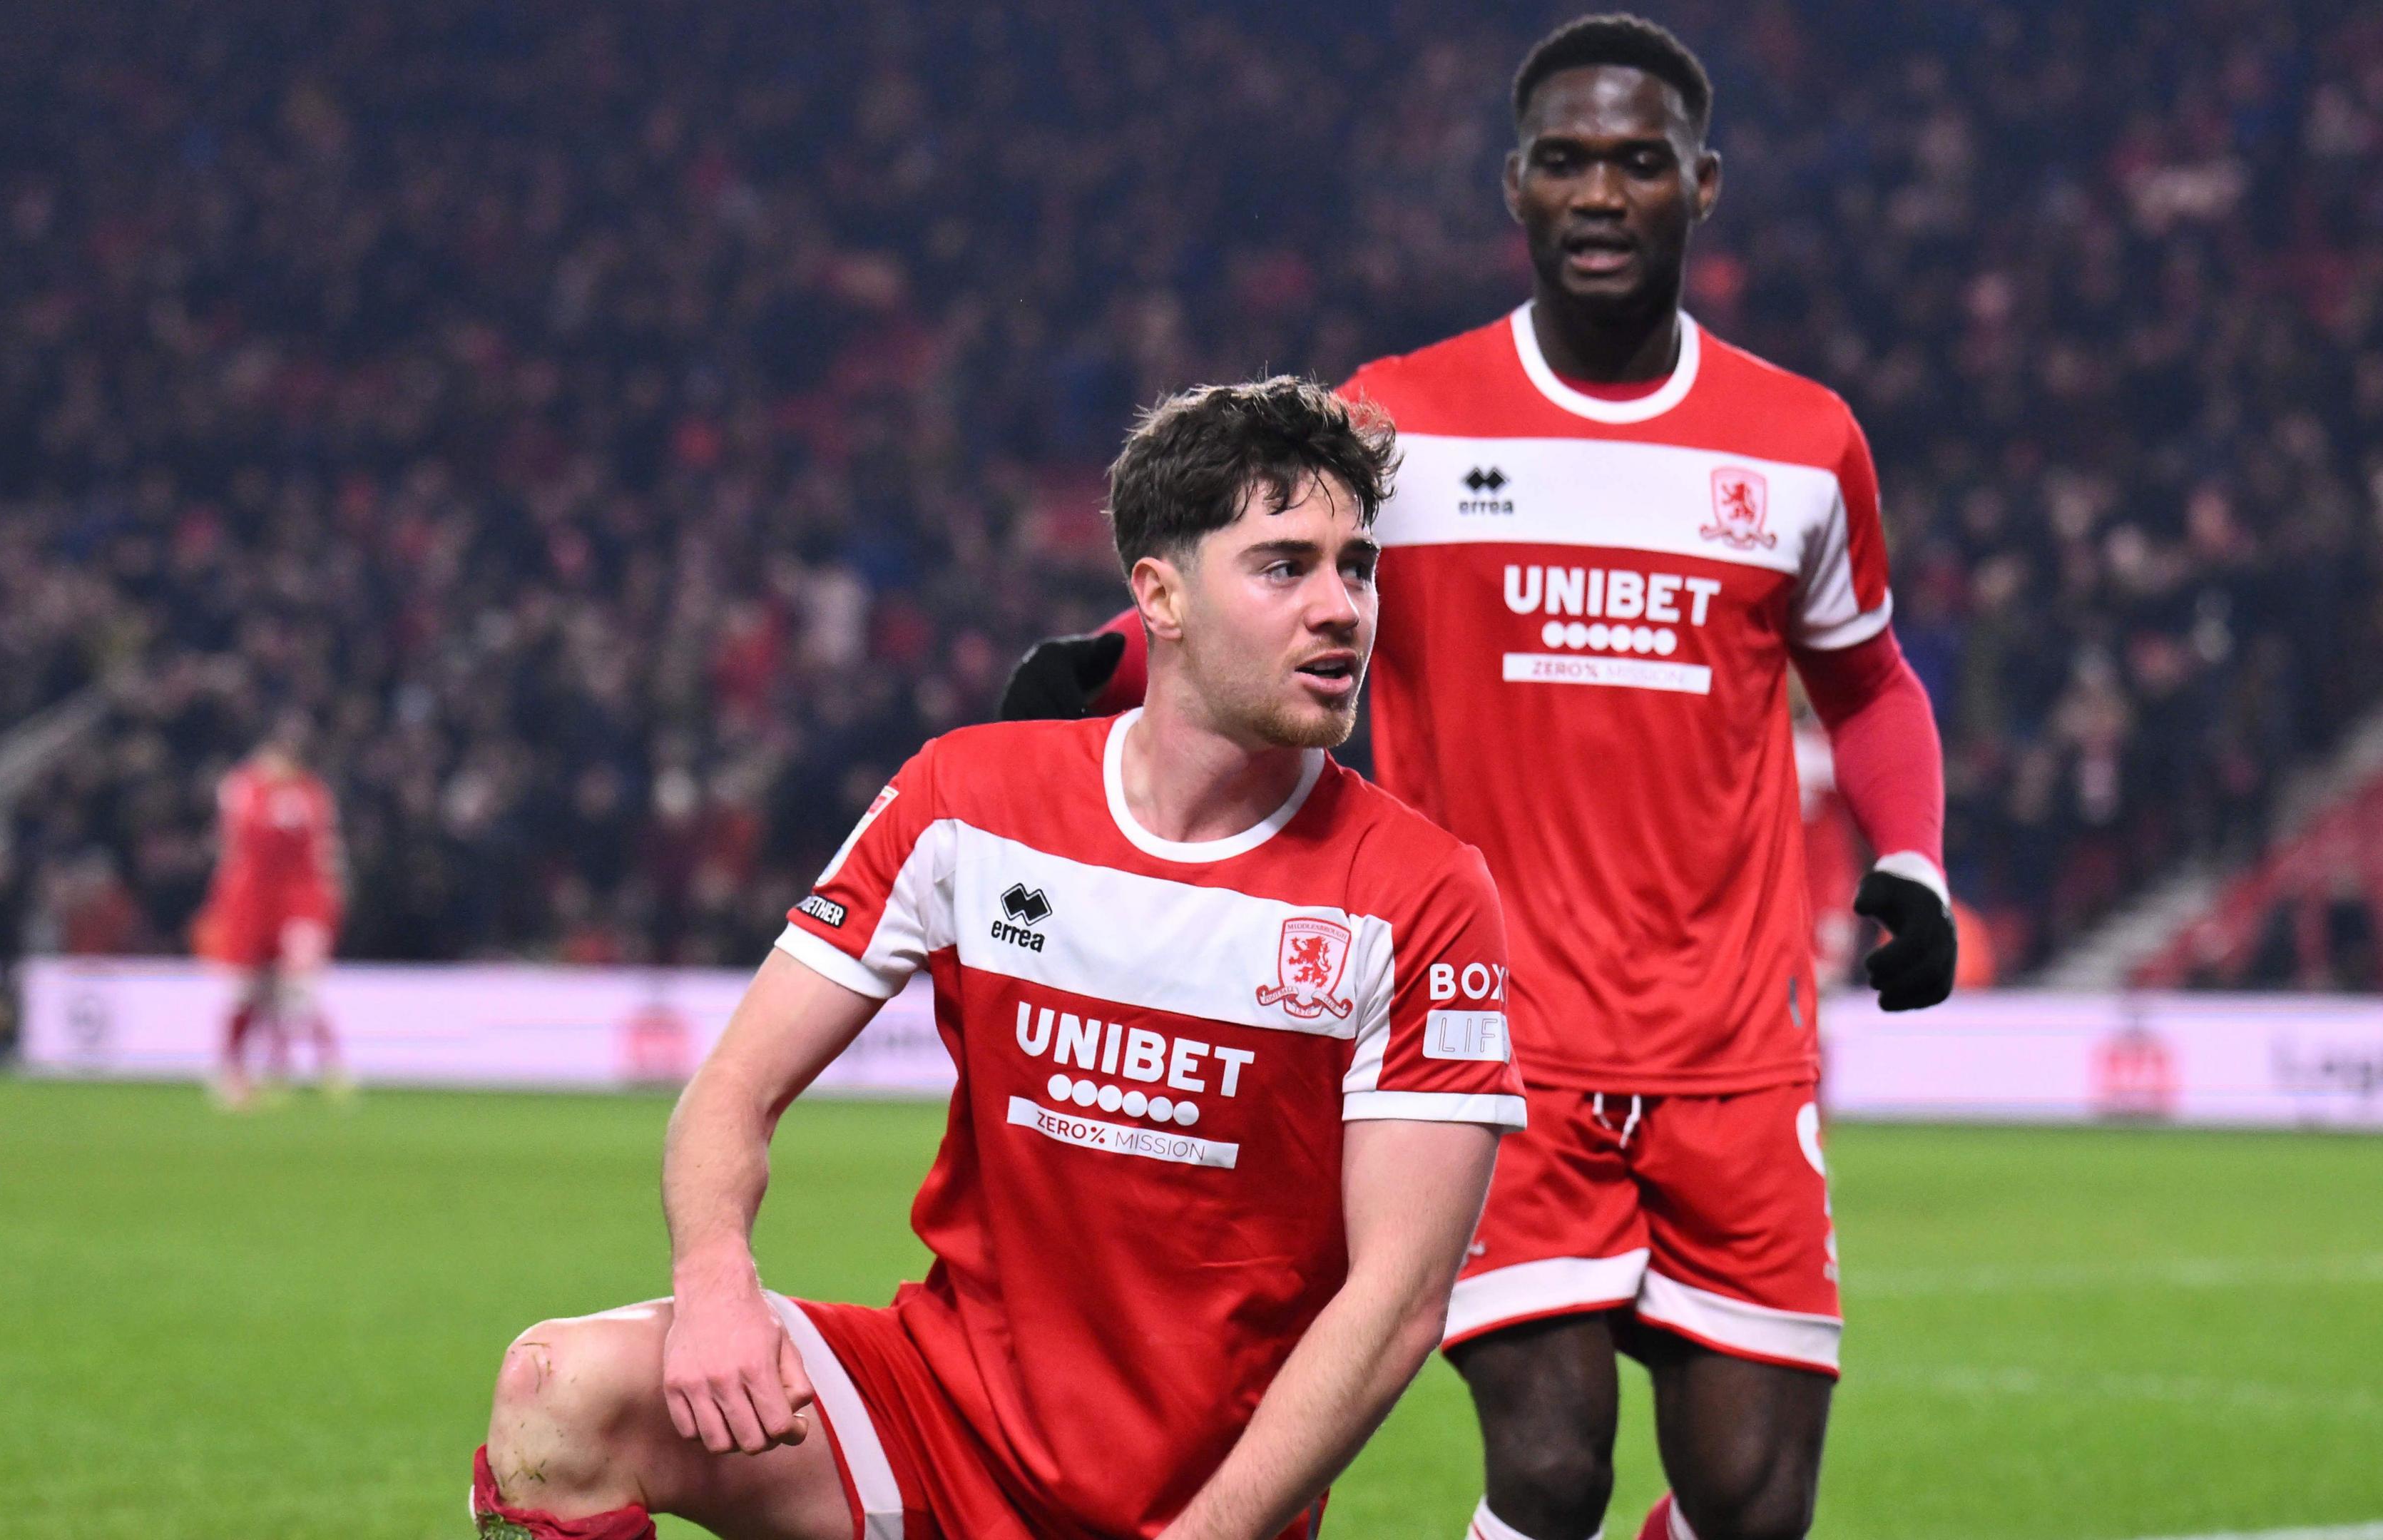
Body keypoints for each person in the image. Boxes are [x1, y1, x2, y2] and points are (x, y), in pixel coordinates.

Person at [999, 19, 1957, 1540]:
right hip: (1492, 1034)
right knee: (1553, 1458)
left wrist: (1910, 859)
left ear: (1701, 185)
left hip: (1737, 1045)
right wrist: (1113, 659)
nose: (1600, 191)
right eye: (1566, 159)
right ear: (1514, 185)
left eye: (1638, 162)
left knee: (1753, 1504)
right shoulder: (1404, 418)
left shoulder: (1801, 445)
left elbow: (1873, 680)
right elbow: (1271, 580)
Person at [474, 378, 1528, 1540]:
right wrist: (719, 1280)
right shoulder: (968, 797)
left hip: (1195, 1502)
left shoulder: (1422, 892)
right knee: (560, 1391)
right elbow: (731, 1087)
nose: (1342, 607)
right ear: (1160, 594)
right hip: (936, 1414)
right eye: (1286, 566)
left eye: (1359, 565)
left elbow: (1397, 1299)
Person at [192, 715, 347, 1108]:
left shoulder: (313, 793)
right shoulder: (243, 787)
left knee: (298, 987)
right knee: (249, 990)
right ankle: (234, 1073)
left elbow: (324, 853)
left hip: (300, 899)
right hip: (251, 900)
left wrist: (329, 900)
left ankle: (321, 1068)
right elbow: (235, 845)